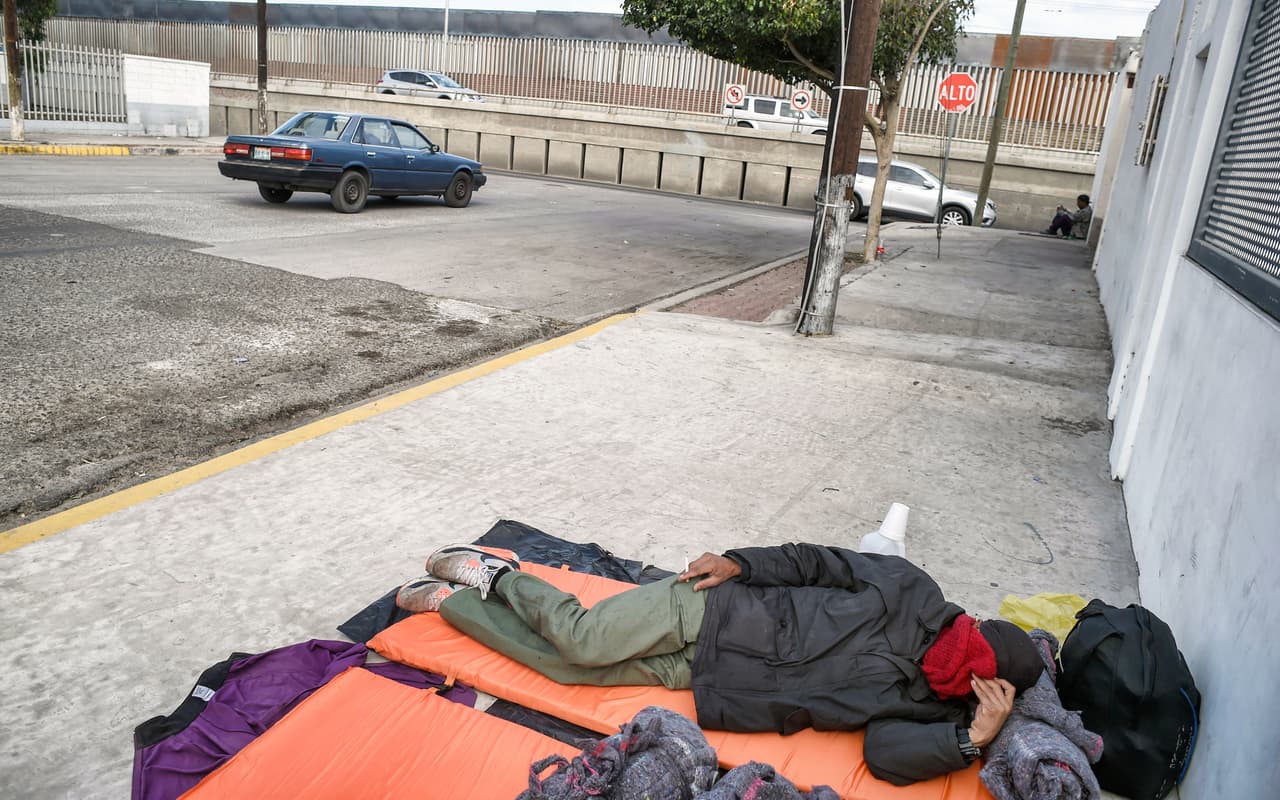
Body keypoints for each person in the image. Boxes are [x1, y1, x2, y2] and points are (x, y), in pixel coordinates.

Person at [398, 542, 1044, 786]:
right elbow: (816, 562)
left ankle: (456, 604)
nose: (962, 669)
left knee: (566, 670)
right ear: (971, 629)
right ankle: (499, 574)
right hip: (714, 612)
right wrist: (742, 562)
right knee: (585, 641)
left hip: (710, 680)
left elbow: (885, 755)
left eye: (979, 681)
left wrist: (970, 738)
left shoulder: (933, 709)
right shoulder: (911, 589)